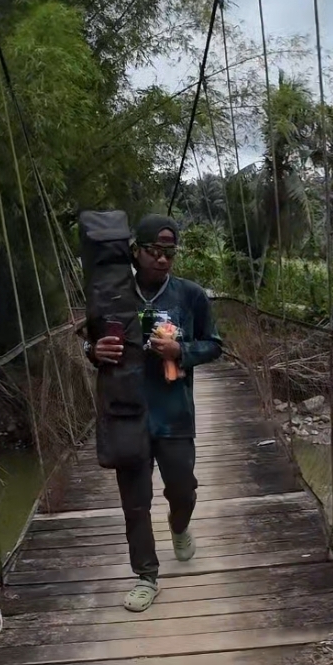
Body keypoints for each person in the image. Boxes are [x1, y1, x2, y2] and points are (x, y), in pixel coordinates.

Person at [84, 215, 222, 612]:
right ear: (135, 251)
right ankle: (146, 576)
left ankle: (179, 524)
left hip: (174, 412)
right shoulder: (111, 293)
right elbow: (91, 343)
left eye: (169, 253)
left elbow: (214, 344)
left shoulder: (190, 296)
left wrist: (183, 352)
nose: (162, 259)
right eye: (153, 251)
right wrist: (94, 353)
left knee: (184, 490)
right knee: (136, 502)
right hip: (126, 413)